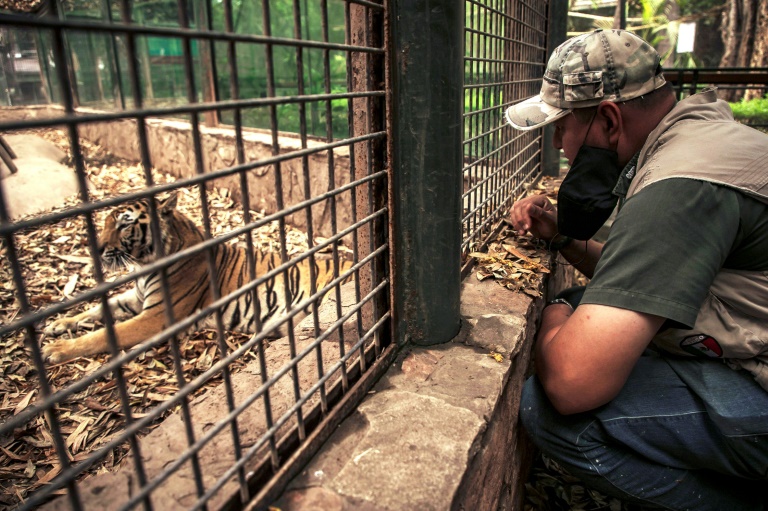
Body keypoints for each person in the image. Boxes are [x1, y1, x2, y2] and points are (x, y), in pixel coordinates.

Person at [506, 29, 768, 510]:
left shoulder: (681, 183)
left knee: (552, 413)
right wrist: (563, 237)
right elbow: (656, 278)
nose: (562, 146)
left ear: (608, 119)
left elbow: (572, 382)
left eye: (562, 128)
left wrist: (556, 310)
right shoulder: (700, 138)